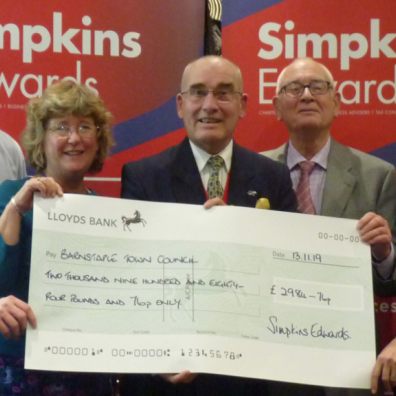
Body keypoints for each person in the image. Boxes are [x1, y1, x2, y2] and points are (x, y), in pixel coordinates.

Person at [121, 55, 297, 395]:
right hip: (171, 377)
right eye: (198, 93)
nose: (209, 105)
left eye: (223, 93)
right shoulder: (143, 176)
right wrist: (157, 357)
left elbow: (287, 271)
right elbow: (133, 279)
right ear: (180, 104)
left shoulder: (273, 176)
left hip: (249, 376)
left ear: (243, 104)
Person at [262, 57, 396, 396]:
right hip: (267, 356)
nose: (306, 95)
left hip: (345, 361)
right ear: (277, 107)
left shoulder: (379, 177)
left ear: (336, 103)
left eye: (317, 87)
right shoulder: (254, 173)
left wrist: (384, 253)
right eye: (294, 88)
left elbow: (390, 281)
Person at [0, 80, 114, 395]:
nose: (74, 138)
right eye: (61, 127)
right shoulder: (8, 196)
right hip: (19, 371)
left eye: (85, 127)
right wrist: (12, 212)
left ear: (98, 139)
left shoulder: (110, 213)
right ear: (41, 137)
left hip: (90, 371)